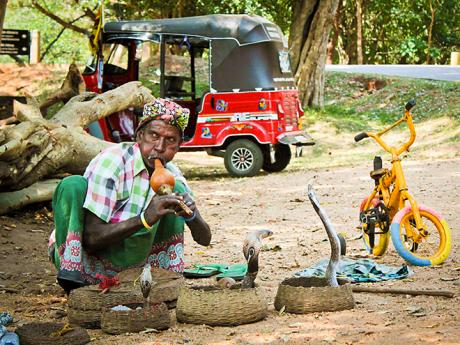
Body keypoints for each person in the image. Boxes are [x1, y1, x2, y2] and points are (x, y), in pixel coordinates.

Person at [48, 98, 211, 293]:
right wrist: (144, 219)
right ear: (139, 136)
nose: (160, 147)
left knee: (175, 193)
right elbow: (91, 239)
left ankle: (161, 280)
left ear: (178, 147)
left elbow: (205, 239)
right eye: (153, 135)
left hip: (133, 261)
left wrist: (191, 215)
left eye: (170, 140)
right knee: (72, 185)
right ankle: (75, 278)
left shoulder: (173, 176)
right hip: (92, 257)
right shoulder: (113, 161)